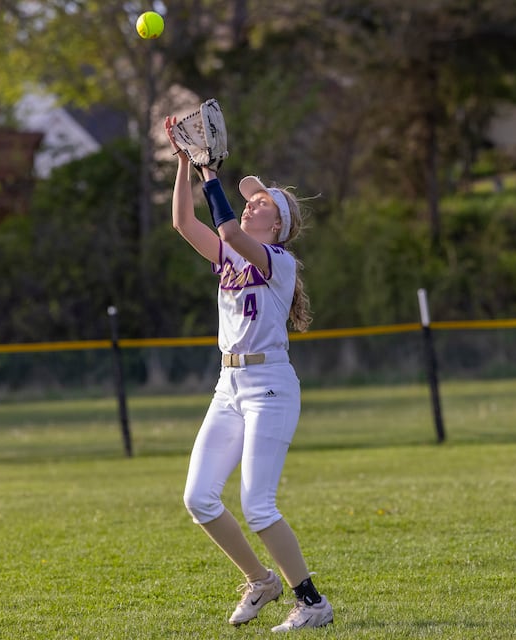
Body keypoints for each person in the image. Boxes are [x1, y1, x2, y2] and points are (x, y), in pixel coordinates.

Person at [163, 114, 334, 632]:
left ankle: (311, 602)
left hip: (270, 389)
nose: (252, 200)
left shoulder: (277, 259)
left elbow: (228, 228)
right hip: (228, 386)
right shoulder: (233, 255)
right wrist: (184, 165)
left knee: (257, 505)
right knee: (198, 498)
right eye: (251, 197)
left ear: (276, 224)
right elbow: (184, 224)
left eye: (262, 201)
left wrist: (210, 172)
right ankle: (261, 581)